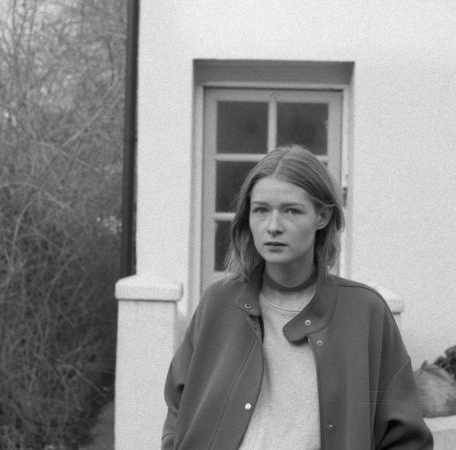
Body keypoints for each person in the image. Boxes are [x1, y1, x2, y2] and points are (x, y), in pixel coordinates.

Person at [162, 145, 433, 449]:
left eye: (291, 210)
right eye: (261, 210)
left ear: (322, 217)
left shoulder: (365, 313)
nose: (273, 227)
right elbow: (178, 408)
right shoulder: (218, 304)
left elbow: (407, 438)